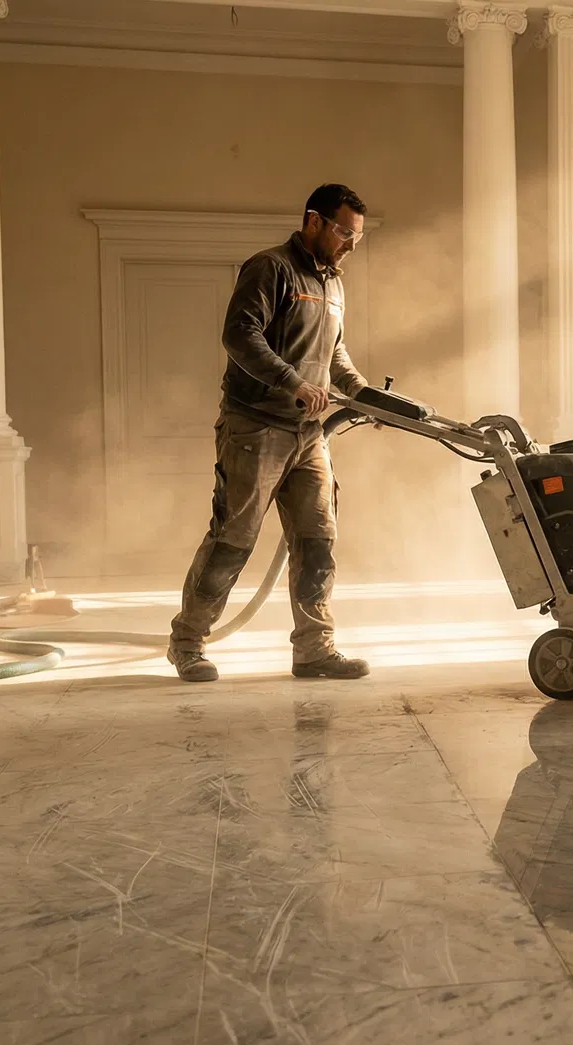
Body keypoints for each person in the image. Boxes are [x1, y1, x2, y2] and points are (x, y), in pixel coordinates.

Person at [167, 183, 372, 683]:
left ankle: (314, 649)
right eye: (345, 232)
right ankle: (188, 643)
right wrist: (293, 383)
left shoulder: (333, 283)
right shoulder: (271, 268)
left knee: (318, 539)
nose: (350, 243)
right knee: (234, 538)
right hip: (255, 427)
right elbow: (240, 335)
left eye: (357, 237)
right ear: (314, 221)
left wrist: (362, 391)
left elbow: (334, 353)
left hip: (309, 435)